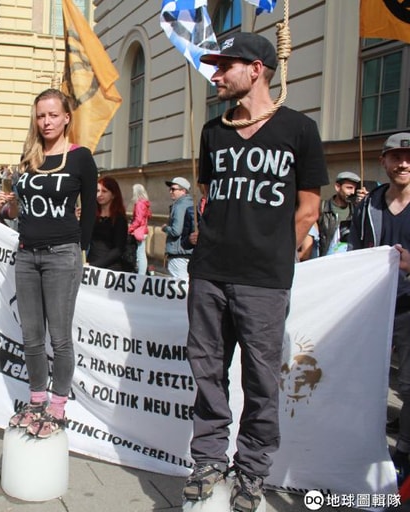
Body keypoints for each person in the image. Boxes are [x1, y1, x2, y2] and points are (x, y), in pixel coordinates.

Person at [183, 33, 327, 511]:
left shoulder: (299, 129)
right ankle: (208, 460)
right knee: (207, 371)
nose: (216, 75)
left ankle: (251, 471)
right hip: (209, 274)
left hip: (263, 280)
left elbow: (309, 208)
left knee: (261, 380)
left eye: (225, 66)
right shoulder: (213, 131)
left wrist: (270, 252)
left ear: (256, 69)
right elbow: (208, 196)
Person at [7, 88, 97, 438]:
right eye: (41, 115)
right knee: (31, 336)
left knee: (59, 337)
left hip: (62, 255)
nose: (46, 122)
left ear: (66, 118)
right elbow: (21, 208)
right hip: (26, 254)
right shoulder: (28, 157)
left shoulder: (80, 157)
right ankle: (36, 401)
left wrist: (81, 251)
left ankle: (57, 407)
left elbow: (90, 209)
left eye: (53, 115)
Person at [349, 133, 410, 483]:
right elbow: (354, 255)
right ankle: (363, 446)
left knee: (408, 385)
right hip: (373, 308)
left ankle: (403, 453)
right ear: (383, 161)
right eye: (396, 156)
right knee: (365, 379)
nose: (403, 163)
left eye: (409, 157)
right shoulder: (368, 206)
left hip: (408, 309)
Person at [316, 171, 366, 257]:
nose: (352, 192)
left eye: (355, 189)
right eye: (349, 188)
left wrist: (363, 205)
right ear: (337, 187)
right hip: (325, 260)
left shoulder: (356, 210)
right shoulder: (321, 208)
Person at [87, 176, 128, 271]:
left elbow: (118, 250)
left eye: (104, 191)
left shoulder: (119, 219)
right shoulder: (92, 215)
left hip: (109, 269)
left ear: (113, 195)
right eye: (97, 191)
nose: (99, 195)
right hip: (90, 265)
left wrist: (94, 265)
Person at [162, 177, 193, 279]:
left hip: (178, 254)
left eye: (173, 189)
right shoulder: (191, 203)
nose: (170, 192)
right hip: (188, 253)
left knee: (178, 285)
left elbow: (176, 231)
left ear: (183, 190)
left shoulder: (179, 206)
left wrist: (165, 228)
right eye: (170, 189)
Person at [128, 184, 150, 275]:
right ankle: (142, 273)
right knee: (141, 252)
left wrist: (130, 228)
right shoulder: (145, 203)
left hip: (138, 231)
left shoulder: (139, 203)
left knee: (140, 253)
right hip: (143, 230)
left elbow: (138, 219)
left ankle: (141, 274)